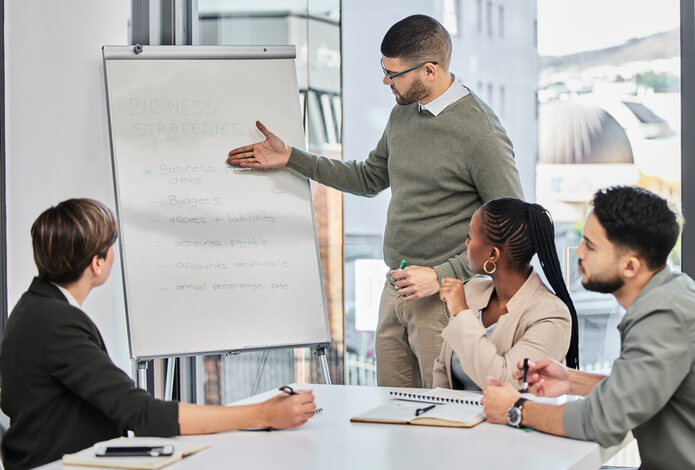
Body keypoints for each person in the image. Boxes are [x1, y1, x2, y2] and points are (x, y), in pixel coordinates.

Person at [227, 14, 523, 388]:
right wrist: (292, 158)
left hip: (444, 302)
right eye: (384, 69)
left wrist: (440, 276)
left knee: (446, 424)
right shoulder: (403, 111)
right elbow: (369, 178)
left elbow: (512, 228)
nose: (386, 81)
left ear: (429, 71)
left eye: (393, 73)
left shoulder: (481, 133)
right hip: (394, 291)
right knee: (393, 418)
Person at [0, 199, 316, 470]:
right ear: (97, 263)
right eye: (111, 245)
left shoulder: (33, 308)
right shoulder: (58, 323)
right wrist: (263, 414)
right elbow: (142, 414)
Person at [481, 186, 695, 469]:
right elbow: (640, 389)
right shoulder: (675, 292)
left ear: (630, 266)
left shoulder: (663, 315)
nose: (579, 252)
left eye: (591, 246)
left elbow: (604, 421)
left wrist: (516, 409)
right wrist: (571, 381)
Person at [434, 198, 578, 390]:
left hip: (507, 419)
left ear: (492, 254)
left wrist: (461, 313)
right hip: (453, 417)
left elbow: (506, 382)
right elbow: (442, 367)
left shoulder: (551, 315)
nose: (466, 243)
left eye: (471, 237)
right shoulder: (471, 291)